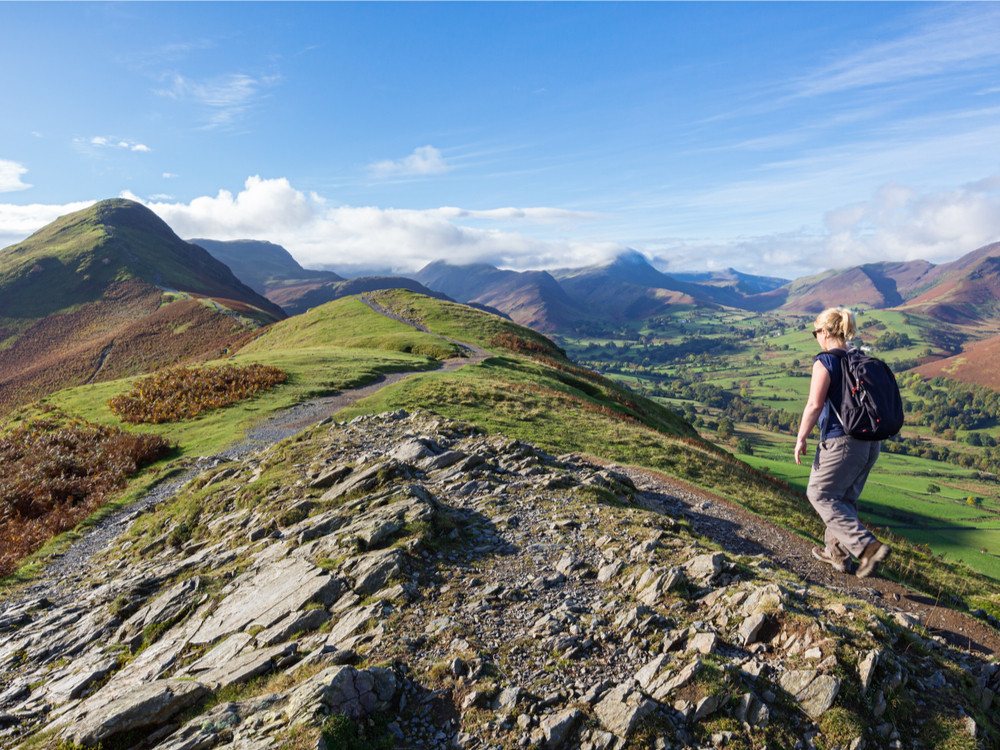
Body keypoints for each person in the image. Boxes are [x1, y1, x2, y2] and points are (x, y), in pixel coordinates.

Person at [794, 306, 891, 578]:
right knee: (844, 498)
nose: (816, 337)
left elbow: (814, 404)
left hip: (842, 443)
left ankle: (867, 548)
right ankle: (836, 555)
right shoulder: (858, 360)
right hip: (870, 444)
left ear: (825, 332)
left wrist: (801, 437)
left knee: (819, 494)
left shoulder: (825, 361)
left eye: (816, 332)